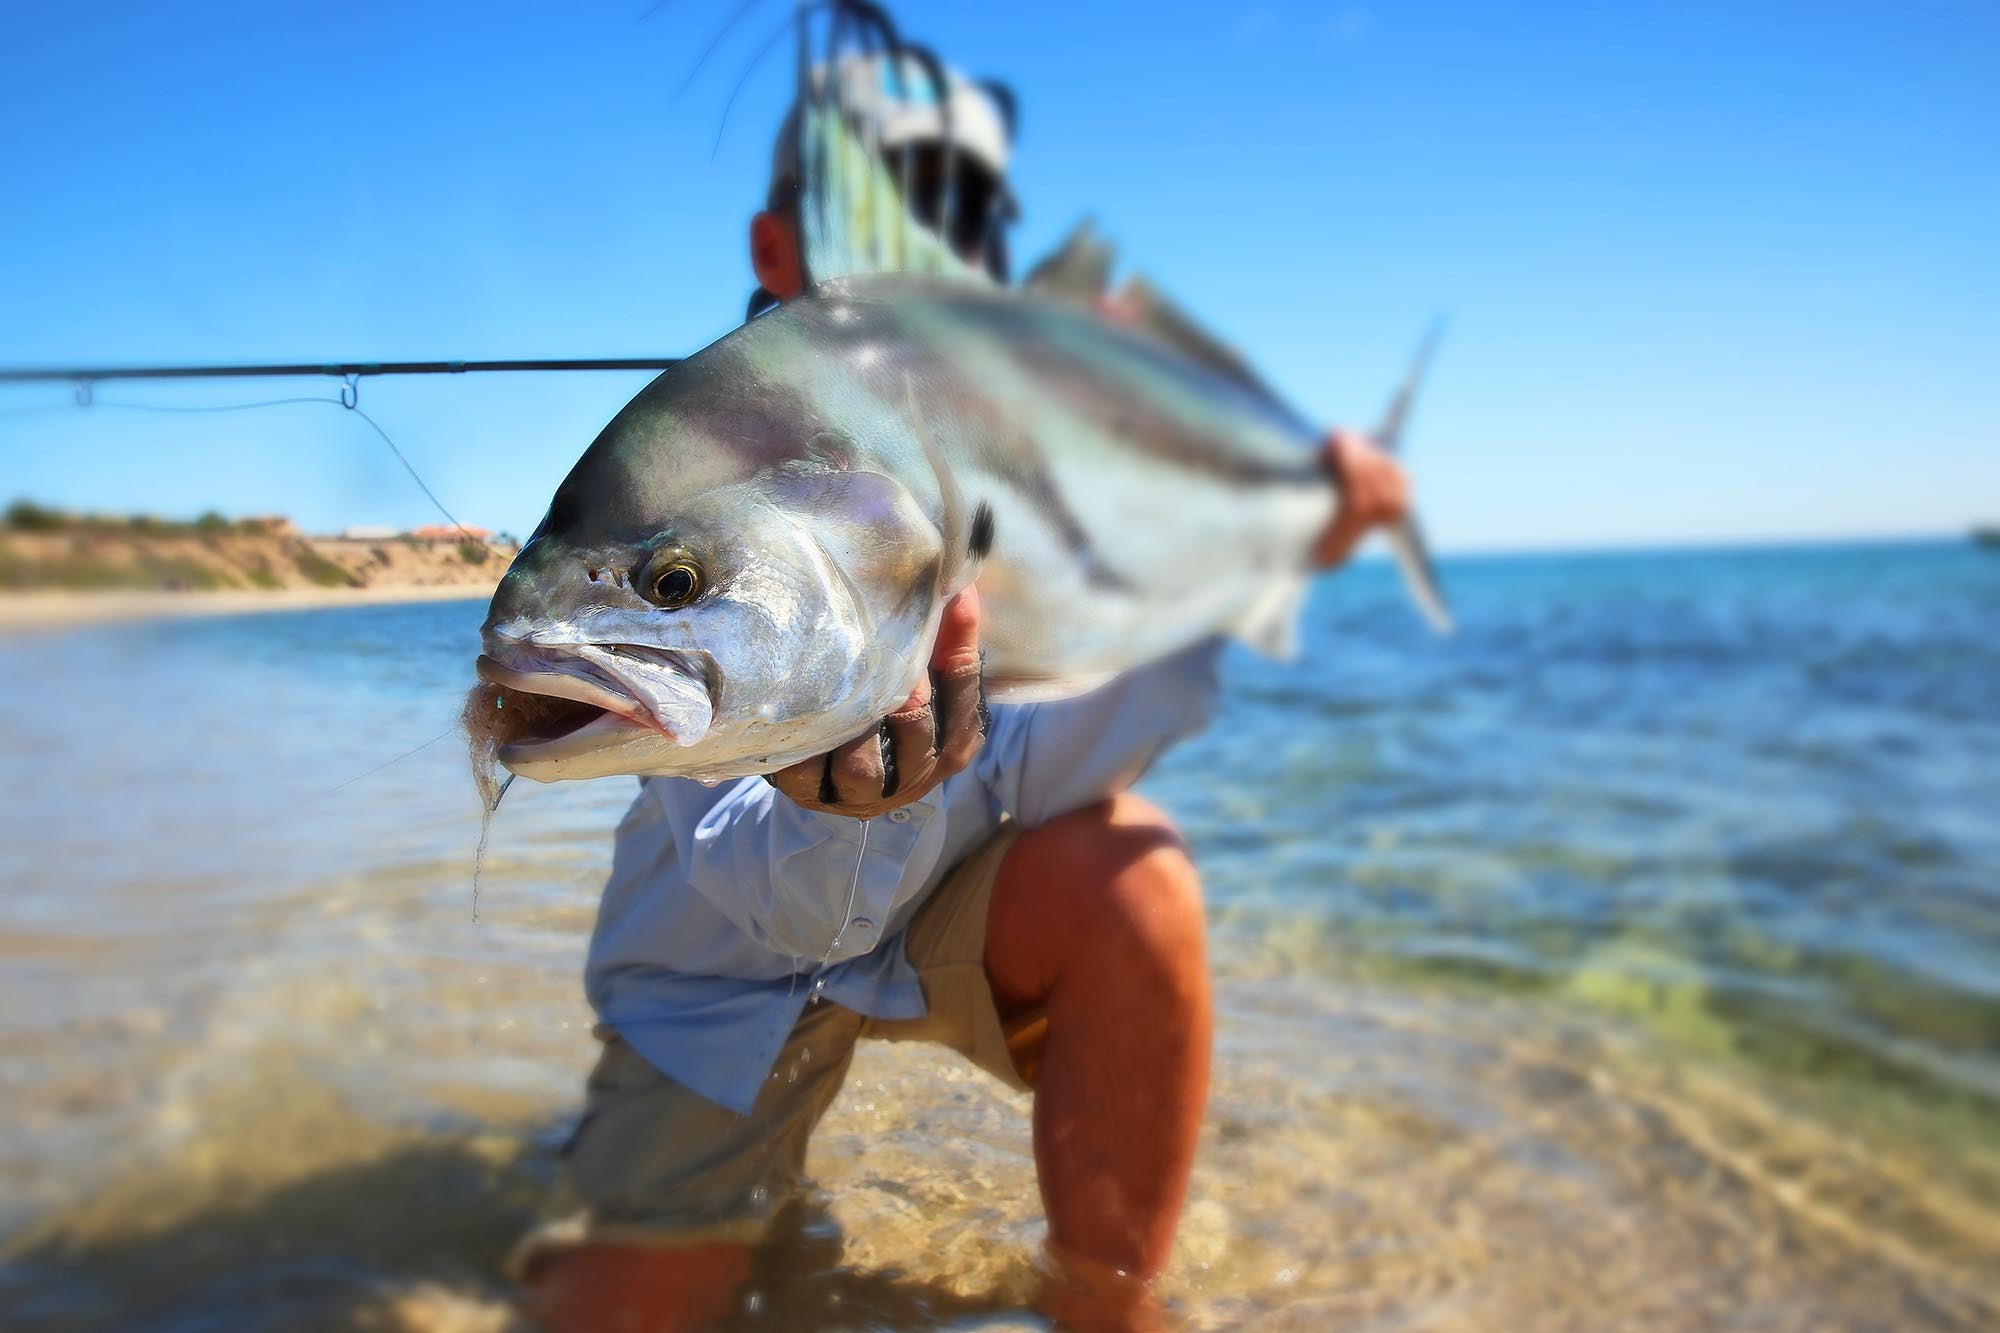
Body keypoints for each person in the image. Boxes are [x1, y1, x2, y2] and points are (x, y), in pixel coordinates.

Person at [518, 54, 1410, 1333]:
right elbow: (761, 890)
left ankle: (1104, 1307)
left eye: (962, 223)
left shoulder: (1014, 437)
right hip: (719, 978)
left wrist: (1229, 550)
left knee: (1135, 873)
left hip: (947, 917)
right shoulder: (694, 471)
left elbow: (1068, 762)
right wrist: (836, 806)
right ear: (778, 245)